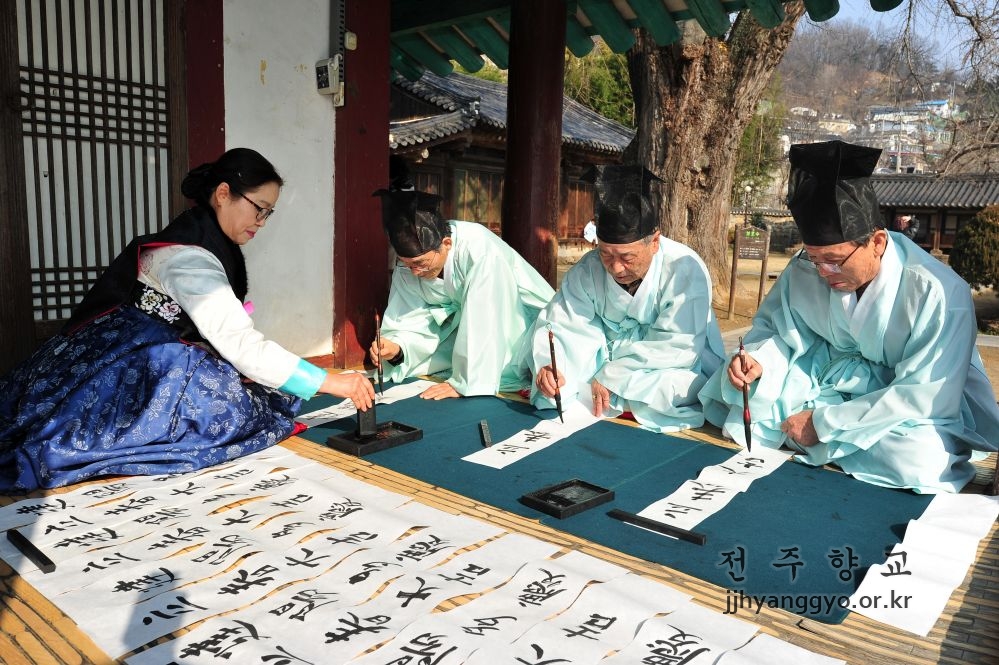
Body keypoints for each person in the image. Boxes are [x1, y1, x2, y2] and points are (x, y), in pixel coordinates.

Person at [0, 148, 374, 492]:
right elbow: (239, 343)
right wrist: (328, 380)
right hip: (136, 359)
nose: (262, 222)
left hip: (119, 346)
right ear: (224, 193)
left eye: (268, 213)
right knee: (227, 409)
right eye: (258, 207)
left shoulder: (198, 233)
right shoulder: (189, 258)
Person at [699, 139, 999, 494]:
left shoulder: (939, 291)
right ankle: (827, 443)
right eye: (814, 258)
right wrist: (759, 361)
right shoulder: (805, 268)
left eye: (835, 260)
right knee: (742, 394)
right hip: (824, 376)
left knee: (920, 458)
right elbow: (779, 330)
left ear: (876, 241)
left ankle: (810, 438)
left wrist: (824, 424)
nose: (824, 272)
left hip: (897, 399)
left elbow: (922, 395)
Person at [530, 165, 726, 432]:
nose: (616, 267)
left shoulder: (685, 268)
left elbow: (677, 345)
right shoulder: (587, 270)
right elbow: (564, 326)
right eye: (606, 255)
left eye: (627, 257)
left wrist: (613, 375)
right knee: (561, 385)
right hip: (604, 359)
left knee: (674, 390)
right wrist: (551, 366)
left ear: (654, 242)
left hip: (666, 364)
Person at [369, 187, 555, 400]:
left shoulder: (479, 250)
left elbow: (485, 316)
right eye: (407, 264)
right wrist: (396, 347)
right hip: (464, 330)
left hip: (520, 321)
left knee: (518, 369)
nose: (414, 271)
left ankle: (479, 376)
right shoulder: (409, 267)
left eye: (420, 263)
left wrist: (465, 381)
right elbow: (408, 316)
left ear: (446, 244)